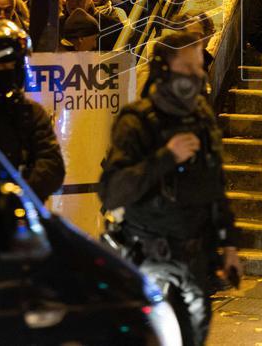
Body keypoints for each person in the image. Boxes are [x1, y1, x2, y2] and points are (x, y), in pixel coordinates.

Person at [98, 31, 241, 346]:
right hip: (152, 261)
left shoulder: (201, 118)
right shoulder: (137, 121)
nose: (196, 76)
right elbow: (113, 192)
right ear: (164, 70)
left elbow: (215, 186)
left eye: (199, 68)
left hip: (196, 261)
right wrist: (166, 158)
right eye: (187, 69)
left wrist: (229, 245)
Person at [0, 20, 64, 201]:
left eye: (12, 66)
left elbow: (51, 167)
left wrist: (18, 194)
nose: (7, 71)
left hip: (20, 213)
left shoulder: (30, 113)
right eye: (0, 66)